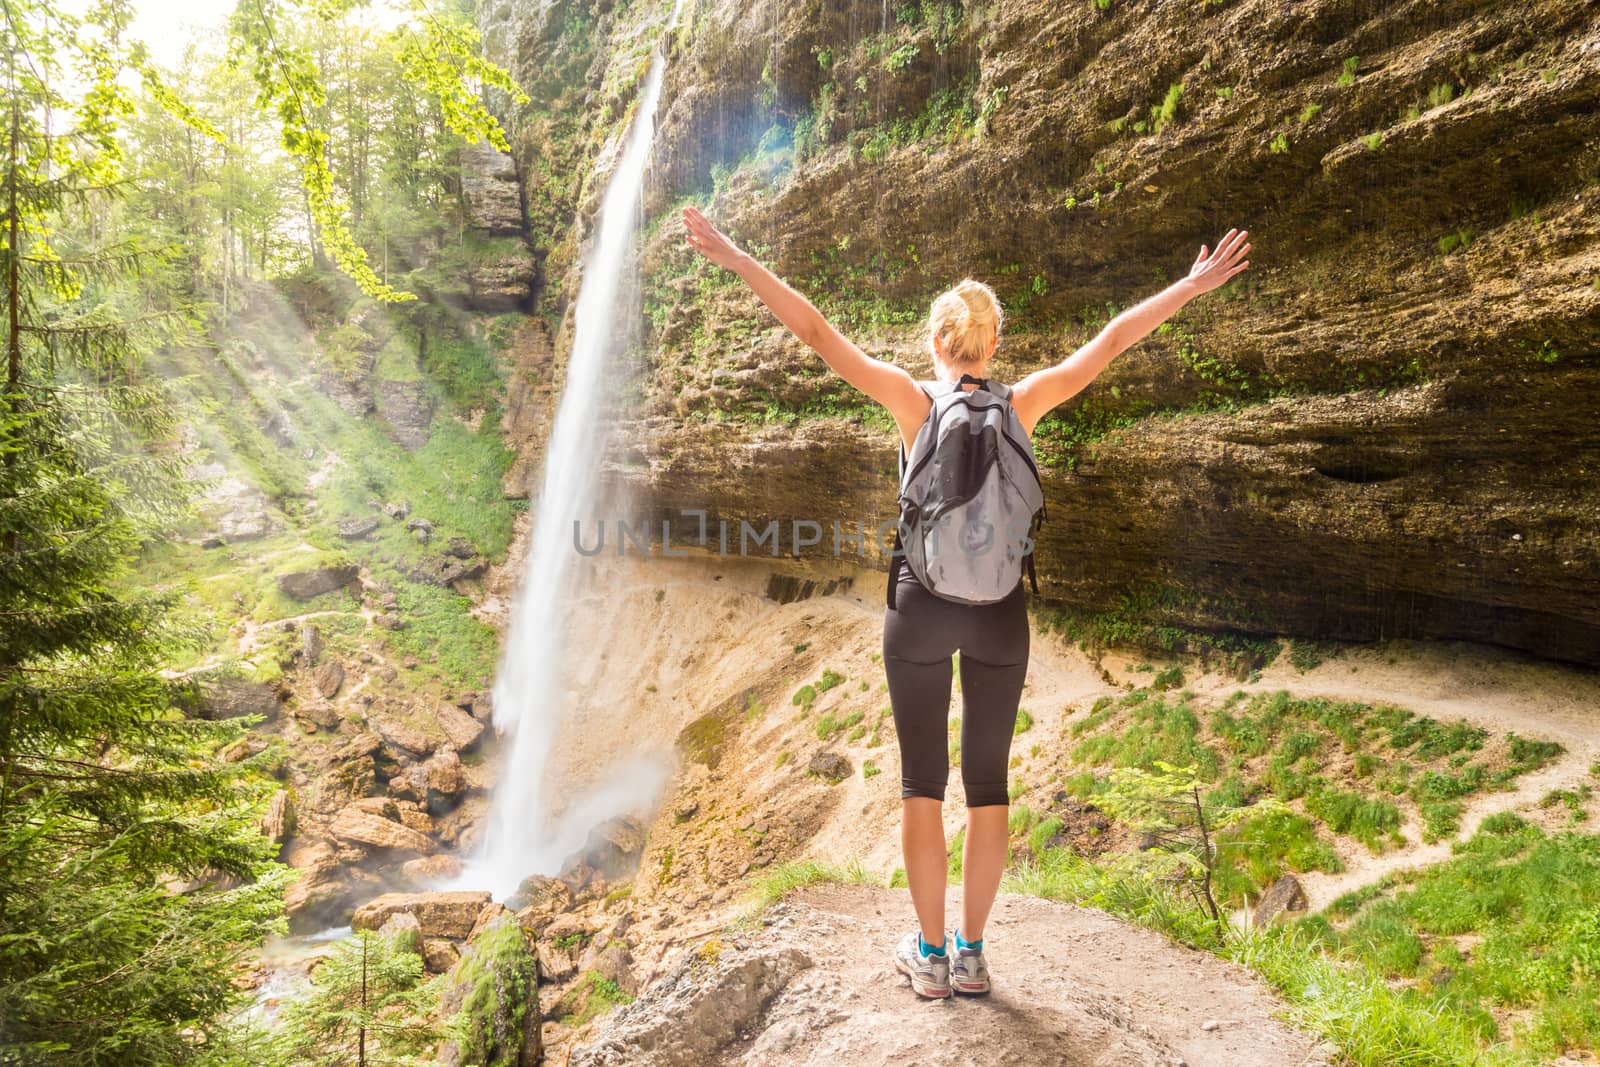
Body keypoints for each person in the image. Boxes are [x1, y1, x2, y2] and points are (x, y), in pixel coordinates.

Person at [682, 204, 1250, 998]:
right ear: (993, 347)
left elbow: (816, 334)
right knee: (988, 786)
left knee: (922, 782)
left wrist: (738, 257)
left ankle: (929, 954)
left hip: (920, 607)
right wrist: (1190, 285)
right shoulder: (1025, 403)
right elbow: (1114, 339)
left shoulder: (914, 403)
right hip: (1001, 615)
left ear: (938, 345)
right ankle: (974, 953)